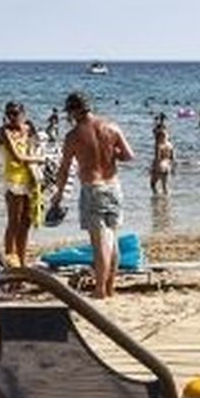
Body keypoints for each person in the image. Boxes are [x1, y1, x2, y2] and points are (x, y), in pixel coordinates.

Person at [50, 91, 134, 299]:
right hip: (114, 186)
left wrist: (58, 195)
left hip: (93, 188)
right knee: (112, 239)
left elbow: (64, 169)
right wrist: (111, 153)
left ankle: (99, 290)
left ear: (73, 111)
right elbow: (129, 155)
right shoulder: (112, 127)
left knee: (99, 243)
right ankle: (110, 287)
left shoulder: (73, 136)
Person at [0, 102, 43, 266]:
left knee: (26, 222)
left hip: (30, 178)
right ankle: (11, 264)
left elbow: (36, 147)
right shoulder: (4, 131)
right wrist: (40, 160)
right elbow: (17, 157)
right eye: (9, 114)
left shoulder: (28, 128)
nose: (12, 117)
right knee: (14, 222)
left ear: (23, 113)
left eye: (15, 113)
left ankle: (22, 262)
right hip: (14, 180)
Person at [151, 124, 175, 196]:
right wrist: (173, 168)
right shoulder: (170, 145)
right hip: (167, 166)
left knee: (153, 184)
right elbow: (172, 158)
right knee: (165, 185)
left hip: (160, 166)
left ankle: (156, 196)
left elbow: (157, 158)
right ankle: (166, 198)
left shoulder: (159, 145)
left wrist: (153, 168)